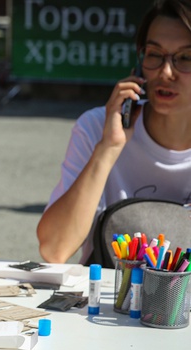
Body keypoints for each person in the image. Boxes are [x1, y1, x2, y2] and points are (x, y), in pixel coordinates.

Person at [38, 0, 191, 264]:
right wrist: (108, 149)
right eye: (154, 55)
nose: (166, 73)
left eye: (186, 58)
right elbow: (54, 249)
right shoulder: (98, 127)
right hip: (111, 289)